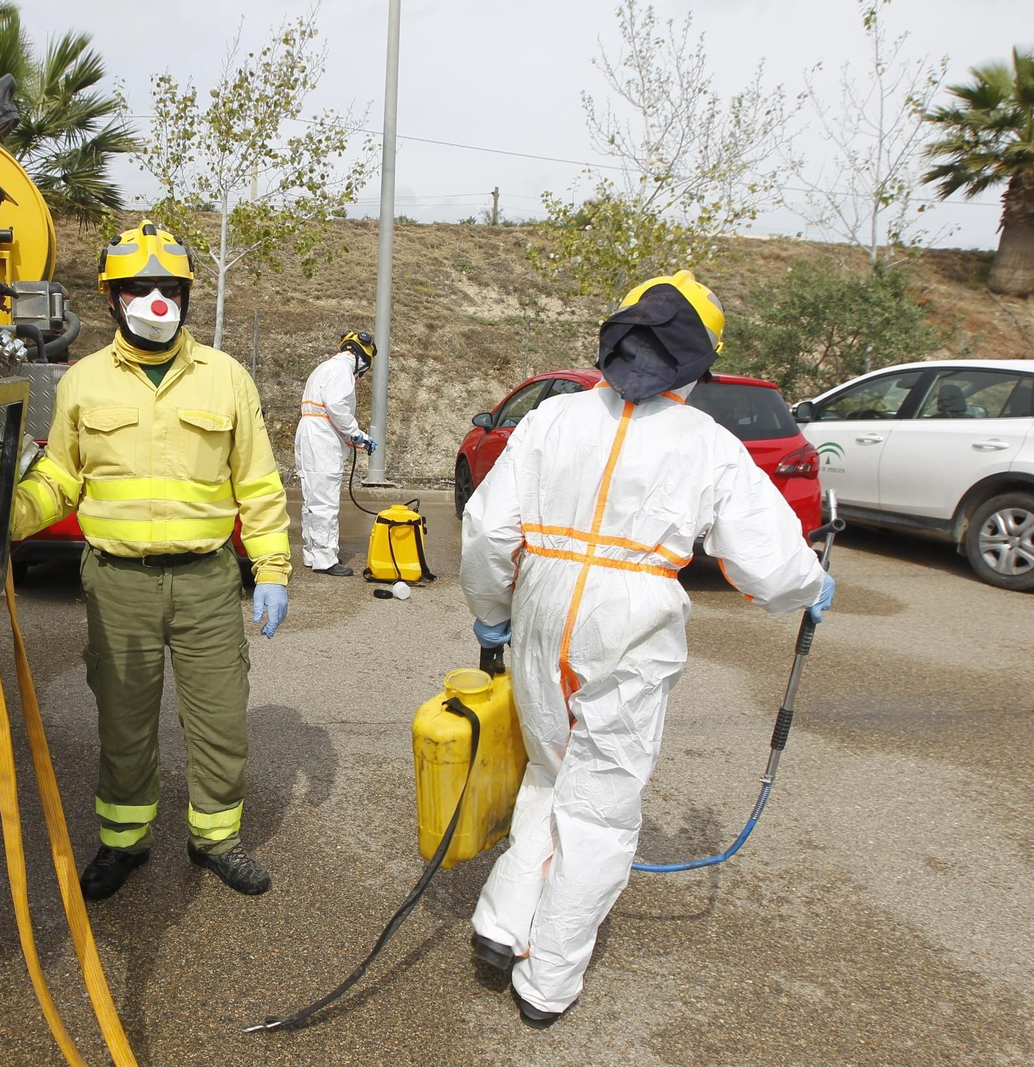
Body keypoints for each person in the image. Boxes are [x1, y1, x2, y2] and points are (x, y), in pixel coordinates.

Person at [460, 270, 836, 1028]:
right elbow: (769, 560)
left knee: (549, 770)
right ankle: (549, 980)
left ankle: (501, 925)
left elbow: (487, 529)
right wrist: (811, 585)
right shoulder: (707, 442)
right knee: (599, 806)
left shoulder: (553, 419)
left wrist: (492, 615)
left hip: (541, 602)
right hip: (629, 621)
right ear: (698, 361)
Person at [11, 220, 292, 900]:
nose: (156, 300)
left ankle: (216, 837)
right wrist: (3, 519)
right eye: (140, 287)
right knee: (125, 724)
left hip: (205, 582)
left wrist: (274, 569)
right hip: (119, 584)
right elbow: (59, 480)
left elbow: (257, 483)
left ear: (188, 296)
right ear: (112, 300)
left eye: (170, 287)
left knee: (222, 718)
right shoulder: (82, 382)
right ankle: (123, 842)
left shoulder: (225, 378)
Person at [294, 331, 379, 575]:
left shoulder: (325, 367)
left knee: (312, 498)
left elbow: (326, 409)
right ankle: (325, 560)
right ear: (363, 358)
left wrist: (354, 439)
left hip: (310, 431)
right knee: (325, 500)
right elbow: (337, 407)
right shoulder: (342, 371)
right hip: (320, 437)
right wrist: (357, 434)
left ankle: (312, 553)